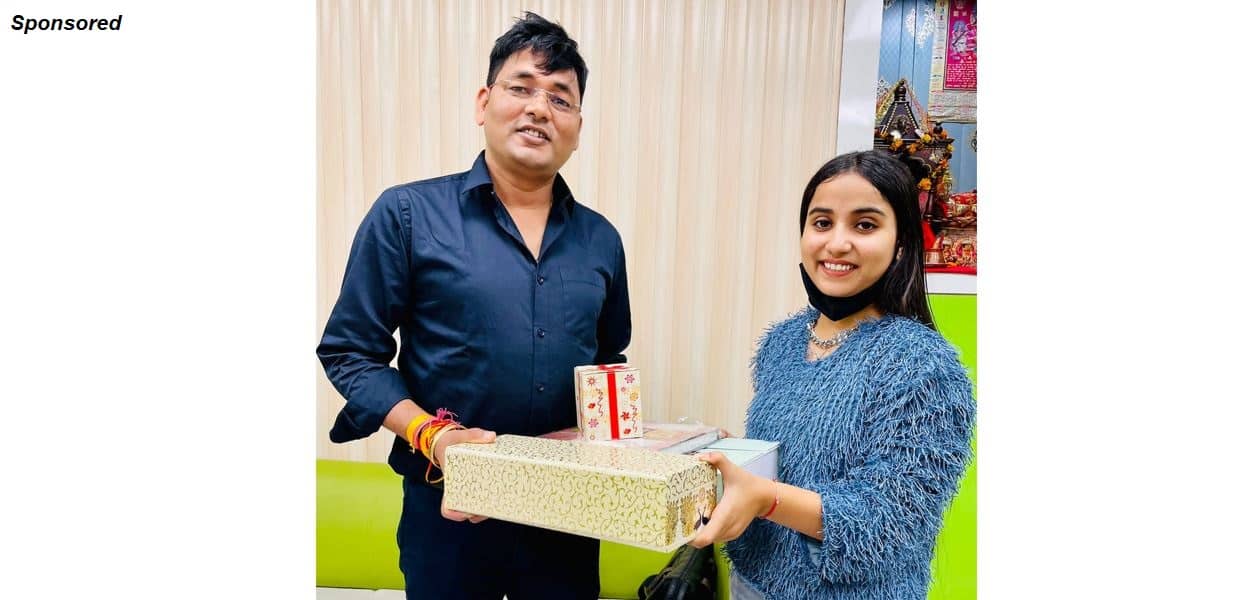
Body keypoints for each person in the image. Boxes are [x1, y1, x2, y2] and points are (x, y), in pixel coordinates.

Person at [316, 12, 630, 600]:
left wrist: (653, 448)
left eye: (560, 98)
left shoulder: (601, 239)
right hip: (446, 510)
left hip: (564, 512)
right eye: (521, 87)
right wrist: (434, 436)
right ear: (484, 103)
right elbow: (349, 353)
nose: (539, 108)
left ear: (578, 127)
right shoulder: (407, 215)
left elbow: (608, 362)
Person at [690, 150, 975, 599]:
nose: (837, 243)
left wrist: (765, 497)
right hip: (753, 581)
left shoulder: (924, 365)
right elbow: (793, 461)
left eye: (865, 225)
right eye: (822, 222)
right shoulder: (782, 341)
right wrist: (735, 459)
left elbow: (894, 520)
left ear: (901, 243)